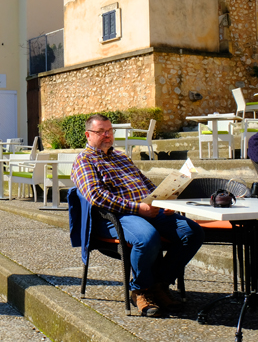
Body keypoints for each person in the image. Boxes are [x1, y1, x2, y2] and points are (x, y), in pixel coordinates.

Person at [70, 114, 204, 317]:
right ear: (89, 135)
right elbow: (97, 196)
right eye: (101, 132)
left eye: (109, 131)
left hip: (146, 209)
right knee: (147, 238)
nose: (107, 135)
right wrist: (138, 208)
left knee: (192, 232)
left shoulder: (122, 157)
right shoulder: (84, 161)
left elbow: (147, 184)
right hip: (115, 216)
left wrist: (164, 200)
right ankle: (140, 290)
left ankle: (159, 285)